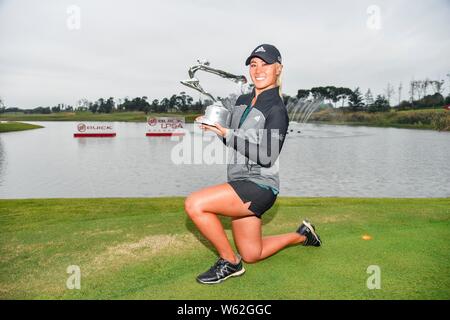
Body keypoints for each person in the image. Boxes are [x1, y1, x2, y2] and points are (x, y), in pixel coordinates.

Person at [185, 44, 322, 285]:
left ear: (278, 69)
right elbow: (234, 139)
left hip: (260, 185)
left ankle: (229, 262)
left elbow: (268, 156)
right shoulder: (242, 100)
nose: (258, 69)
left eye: (265, 64)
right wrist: (215, 127)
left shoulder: (277, 109)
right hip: (239, 181)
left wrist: (227, 134)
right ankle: (302, 236)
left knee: (195, 204)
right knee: (252, 254)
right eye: (253, 64)